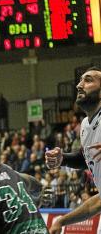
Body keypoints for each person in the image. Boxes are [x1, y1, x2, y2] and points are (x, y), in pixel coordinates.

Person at [45, 67, 101, 233]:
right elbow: (86, 158)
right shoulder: (84, 125)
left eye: (88, 80)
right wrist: (64, 158)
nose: (79, 85)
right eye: (80, 80)